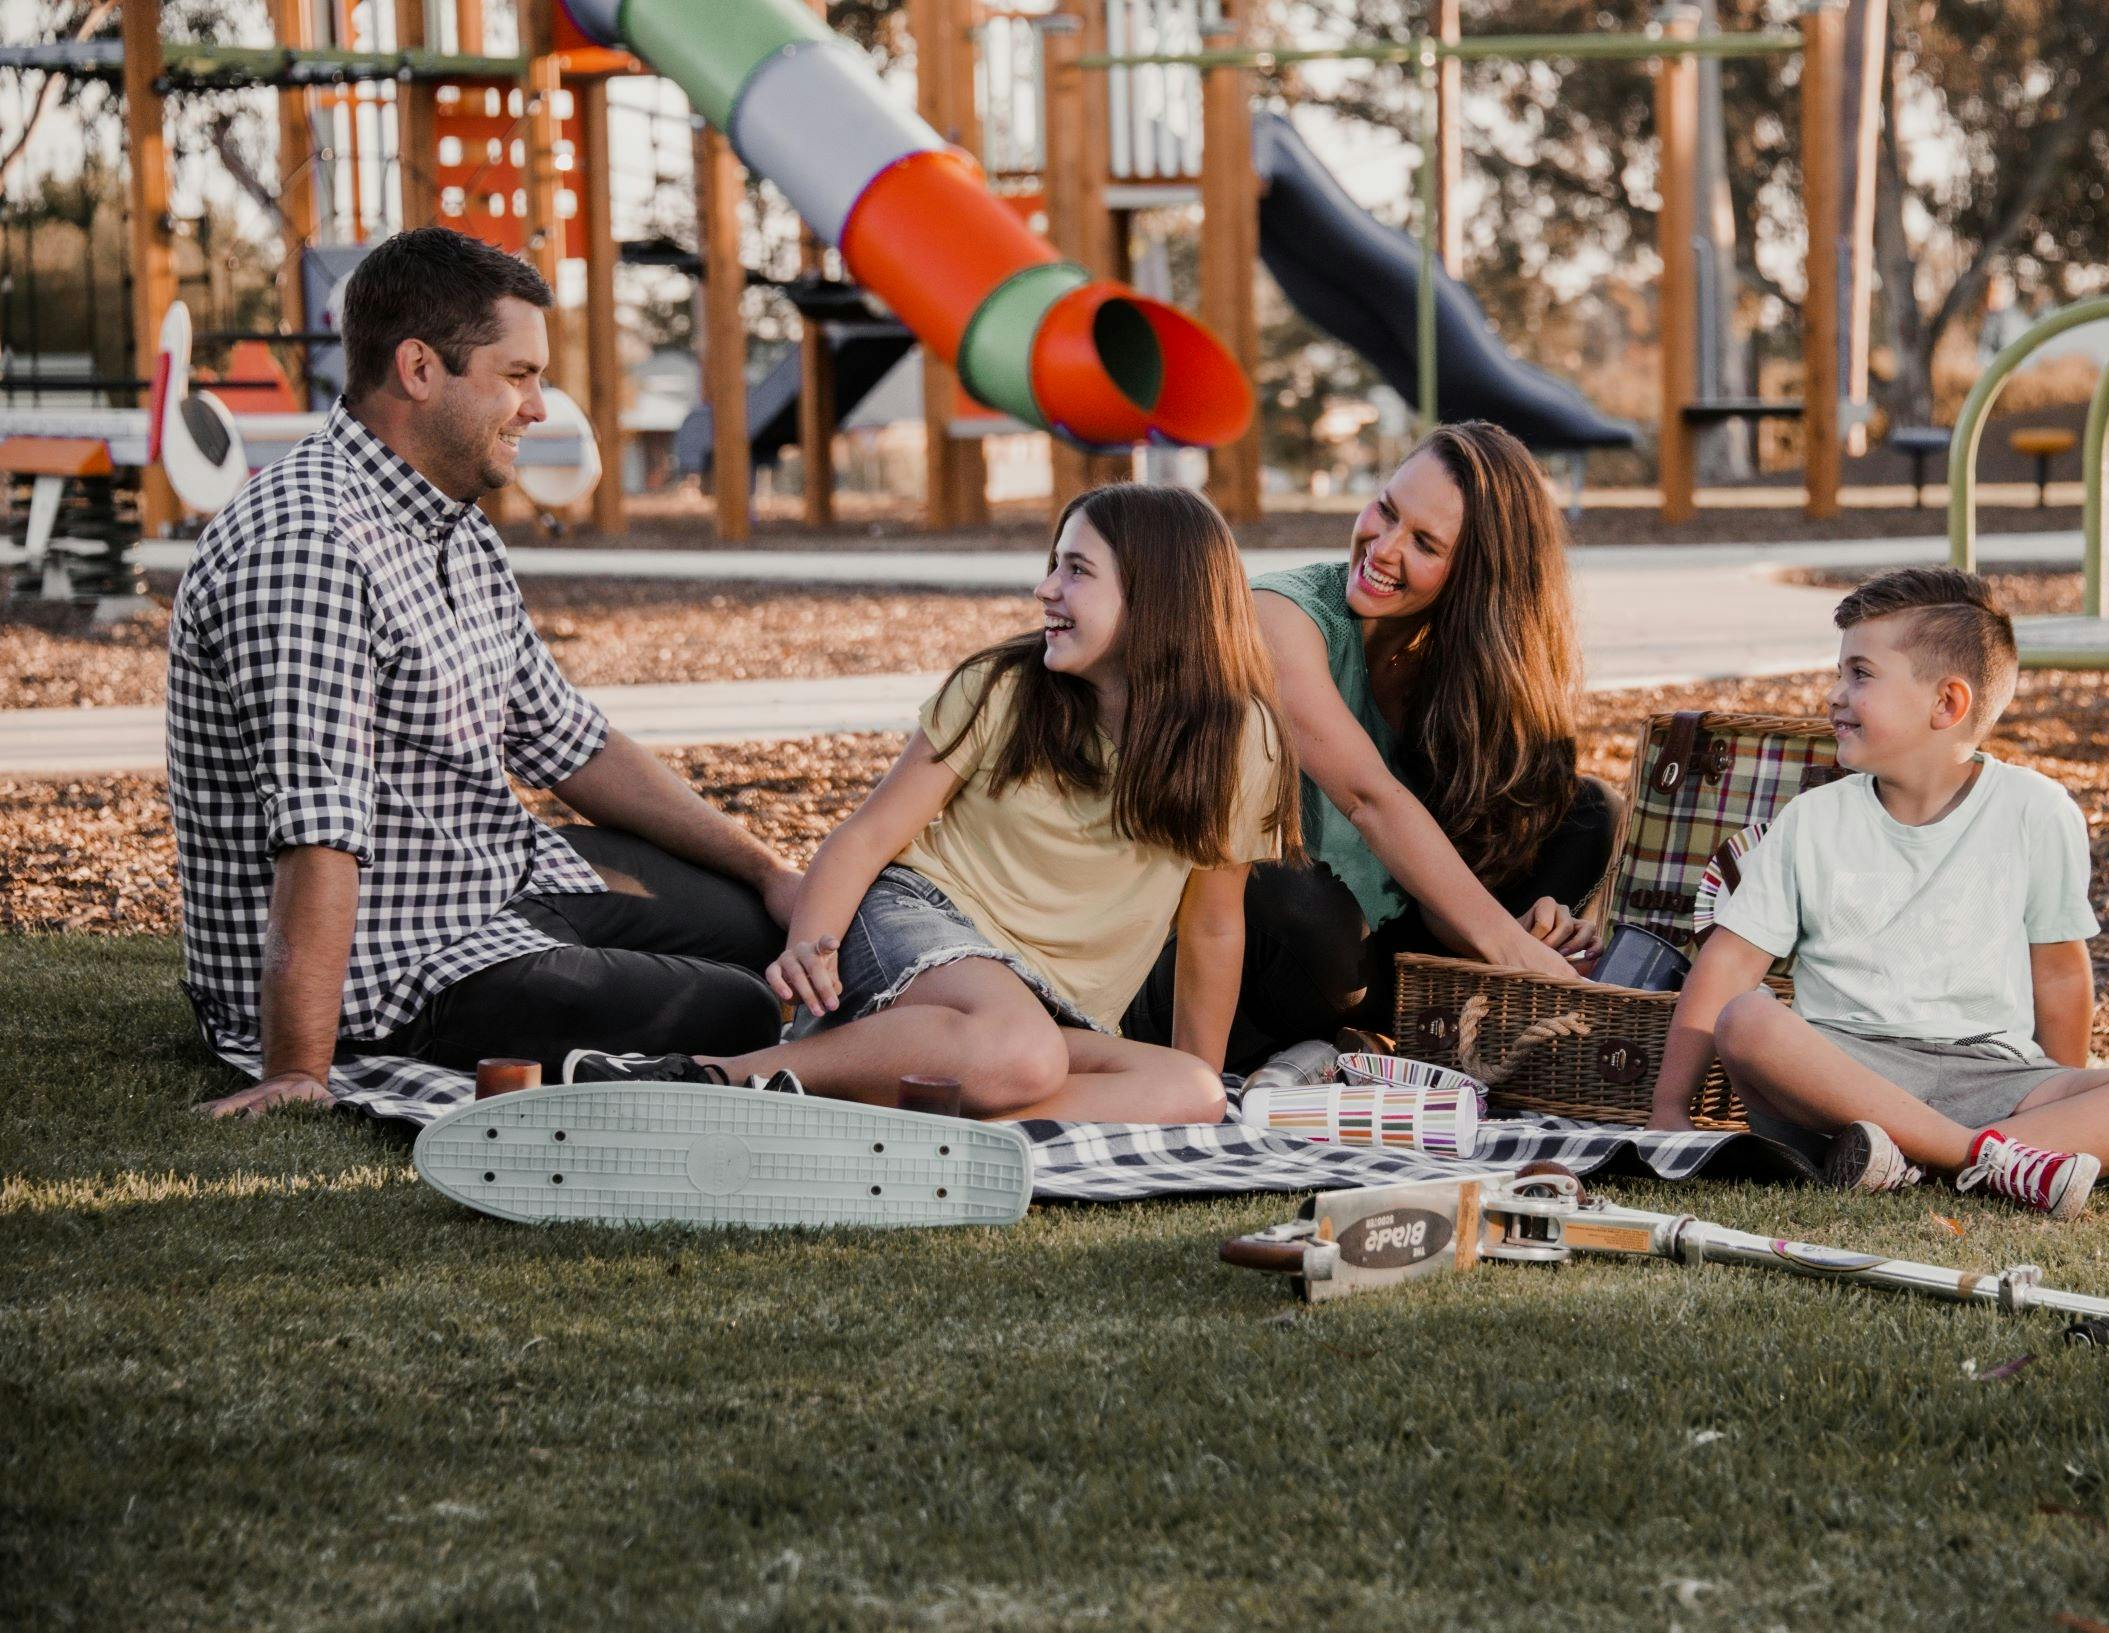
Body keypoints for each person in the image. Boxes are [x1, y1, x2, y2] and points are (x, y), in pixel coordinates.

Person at [170, 227, 802, 1120]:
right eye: (518, 375)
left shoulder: (451, 519)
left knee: (766, 926)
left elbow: (566, 739)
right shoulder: (309, 545)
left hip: (488, 883)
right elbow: (319, 833)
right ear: (420, 369)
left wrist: (771, 869)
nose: (540, 407)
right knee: (740, 1006)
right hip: (388, 973)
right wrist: (298, 1070)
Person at [567, 483, 1298, 1123]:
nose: (1046, 590)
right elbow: (869, 834)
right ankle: (713, 1077)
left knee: (1192, 1092)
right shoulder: (1003, 688)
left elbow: (1211, 928)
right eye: (1054, 565)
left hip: (1048, 1012)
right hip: (922, 921)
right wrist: (810, 945)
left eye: (1076, 571)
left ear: (1160, 600)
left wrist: (1206, 1092)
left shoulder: (1241, 742)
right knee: (1020, 1052)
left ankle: (903, 1110)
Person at [1647, 567, 2109, 1219]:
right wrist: (1667, 1109)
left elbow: (2058, 974)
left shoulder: (2037, 810)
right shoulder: (1811, 821)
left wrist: (2061, 1089)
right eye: (1839, 673)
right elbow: (1728, 966)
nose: (1833, 695)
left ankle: (1912, 1159)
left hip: (1991, 1075)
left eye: (1860, 674)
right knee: (1748, 1019)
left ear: (1947, 704)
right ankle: (1996, 1160)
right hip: (1842, 1081)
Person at [1123, 420, 1612, 1072]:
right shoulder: (1281, 617)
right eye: (1385, 509)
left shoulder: (1463, 676)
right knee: (1297, 902)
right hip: (1226, 959)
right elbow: (1367, 798)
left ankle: (1411, 1033)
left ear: (1476, 579)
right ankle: (1387, 1038)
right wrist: (1511, 949)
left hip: (1372, 965)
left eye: (1424, 542)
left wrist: (1541, 922)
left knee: (1586, 809)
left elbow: (1447, 878)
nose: (1382, 546)